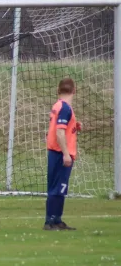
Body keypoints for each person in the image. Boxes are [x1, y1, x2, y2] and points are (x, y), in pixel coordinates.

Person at [44, 77, 81, 231]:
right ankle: (51, 221)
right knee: (58, 188)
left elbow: (60, 127)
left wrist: (75, 126)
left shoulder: (57, 105)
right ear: (74, 91)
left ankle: (56, 219)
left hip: (54, 151)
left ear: (58, 91)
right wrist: (66, 154)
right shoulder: (65, 108)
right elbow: (59, 132)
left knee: (57, 187)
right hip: (60, 153)